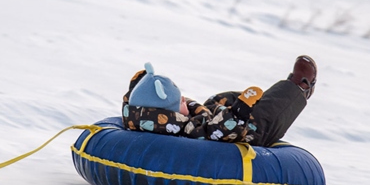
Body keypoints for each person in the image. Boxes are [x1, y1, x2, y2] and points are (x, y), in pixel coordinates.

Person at [121, 56, 317, 147]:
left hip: (216, 120)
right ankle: (298, 88)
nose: (184, 100)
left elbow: (137, 102)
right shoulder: (185, 130)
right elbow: (218, 133)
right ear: (171, 112)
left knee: (216, 101)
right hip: (242, 133)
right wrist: (240, 112)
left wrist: (136, 86)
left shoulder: (140, 115)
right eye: (179, 101)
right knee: (263, 117)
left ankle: (260, 100)